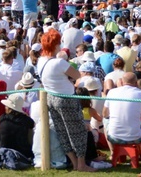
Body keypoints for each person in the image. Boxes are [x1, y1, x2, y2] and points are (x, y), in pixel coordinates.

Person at [36, 28, 95, 172]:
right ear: (55, 45)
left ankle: (75, 163)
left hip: (51, 98)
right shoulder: (59, 63)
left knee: (63, 132)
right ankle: (81, 164)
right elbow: (77, 75)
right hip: (66, 99)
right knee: (79, 131)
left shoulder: (40, 61)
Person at [0, 93, 35, 159]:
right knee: (29, 129)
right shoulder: (26, 119)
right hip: (23, 153)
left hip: (4, 152)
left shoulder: (3, 117)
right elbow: (33, 125)